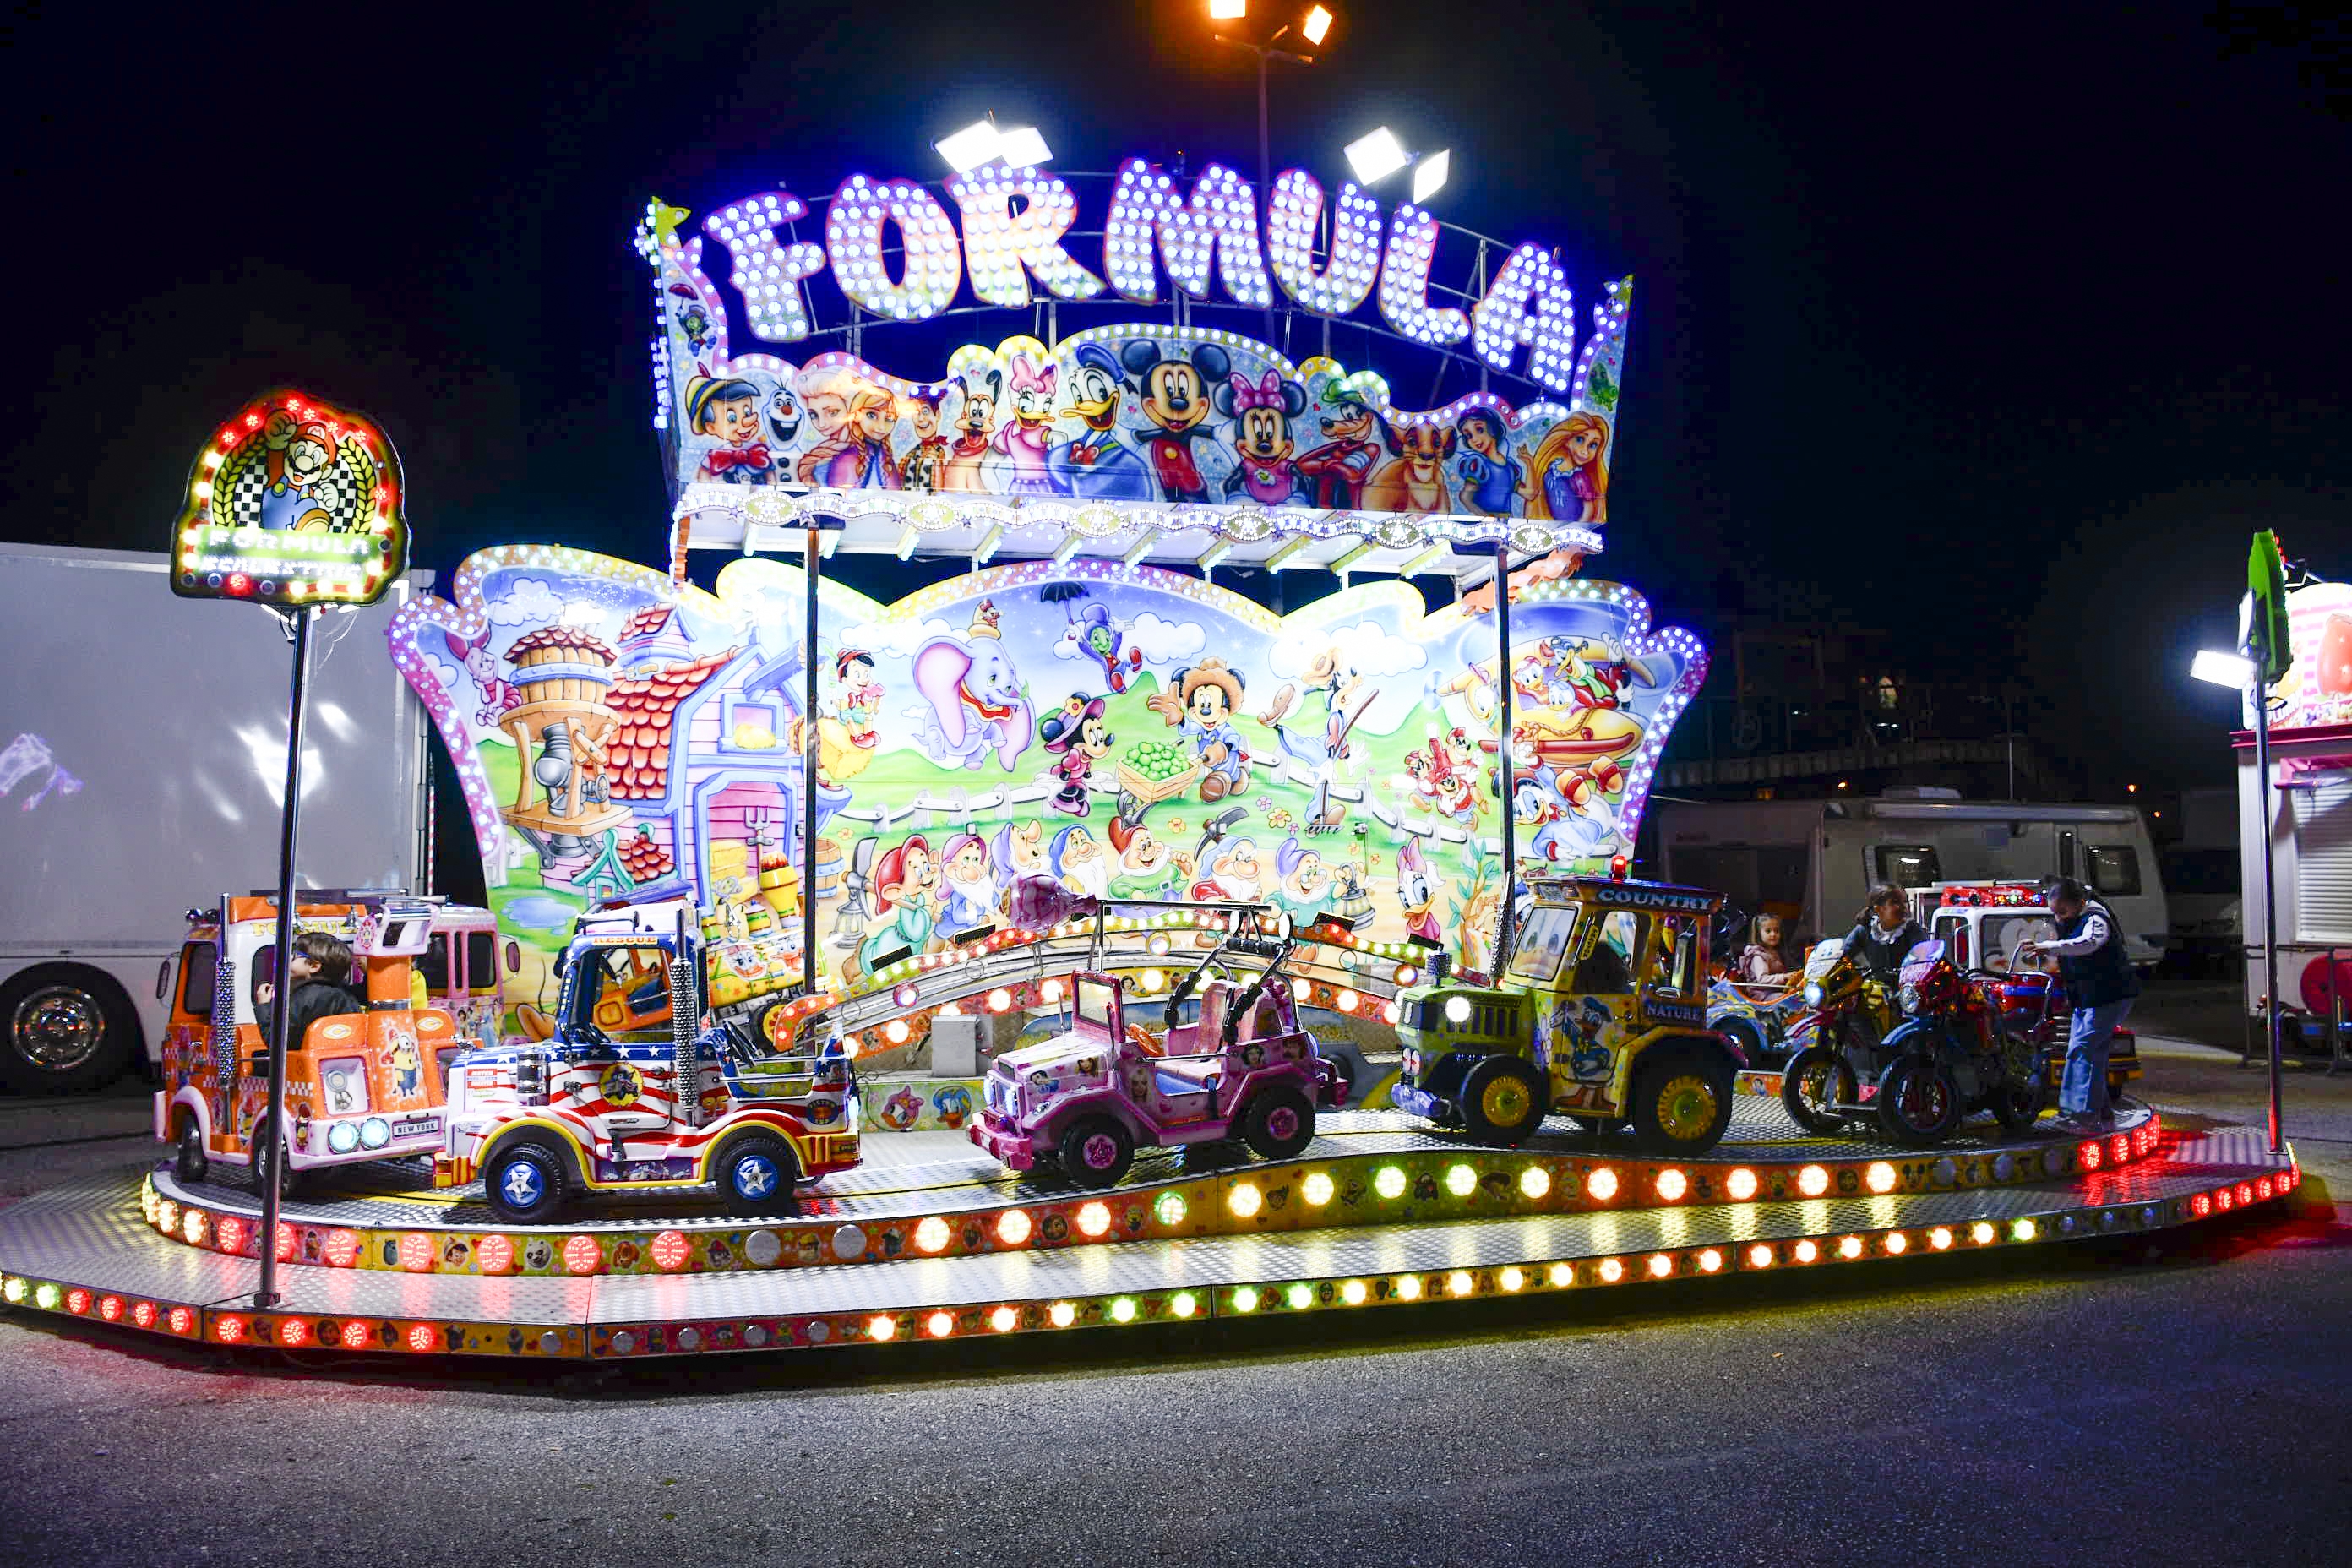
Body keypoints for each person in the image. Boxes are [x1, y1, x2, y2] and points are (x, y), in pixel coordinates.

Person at [2025, 875, 2142, 1130]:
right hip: (2091, 997)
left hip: (2109, 996)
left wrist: (2049, 947)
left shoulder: (2095, 920)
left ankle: (2081, 1116)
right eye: (2054, 913)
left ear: (2080, 902)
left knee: (2083, 1051)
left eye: (2063, 911)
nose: (2059, 918)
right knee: (2088, 1053)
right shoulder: (2077, 918)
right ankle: (2100, 1113)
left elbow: (2088, 945)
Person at [253, 932, 363, 1050]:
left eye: (295, 955)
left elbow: (278, 1043)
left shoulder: (305, 997)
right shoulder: (346, 996)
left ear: (314, 966)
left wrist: (264, 1006)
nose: (289, 958)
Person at [1843, 885, 1927, 981]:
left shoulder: (1911, 929)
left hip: (1906, 990)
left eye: (1905, 901)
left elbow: (1922, 957)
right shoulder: (1865, 930)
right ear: (1878, 909)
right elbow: (1844, 954)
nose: (1903, 906)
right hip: (1875, 991)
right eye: (1895, 902)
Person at [1739, 912, 1794, 984]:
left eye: (1776, 931)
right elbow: (1762, 980)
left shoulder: (1777, 951)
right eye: (1768, 931)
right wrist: (1783, 977)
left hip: (1776, 989)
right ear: (1759, 934)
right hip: (1762, 992)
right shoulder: (1758, 955)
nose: (1773, 934)